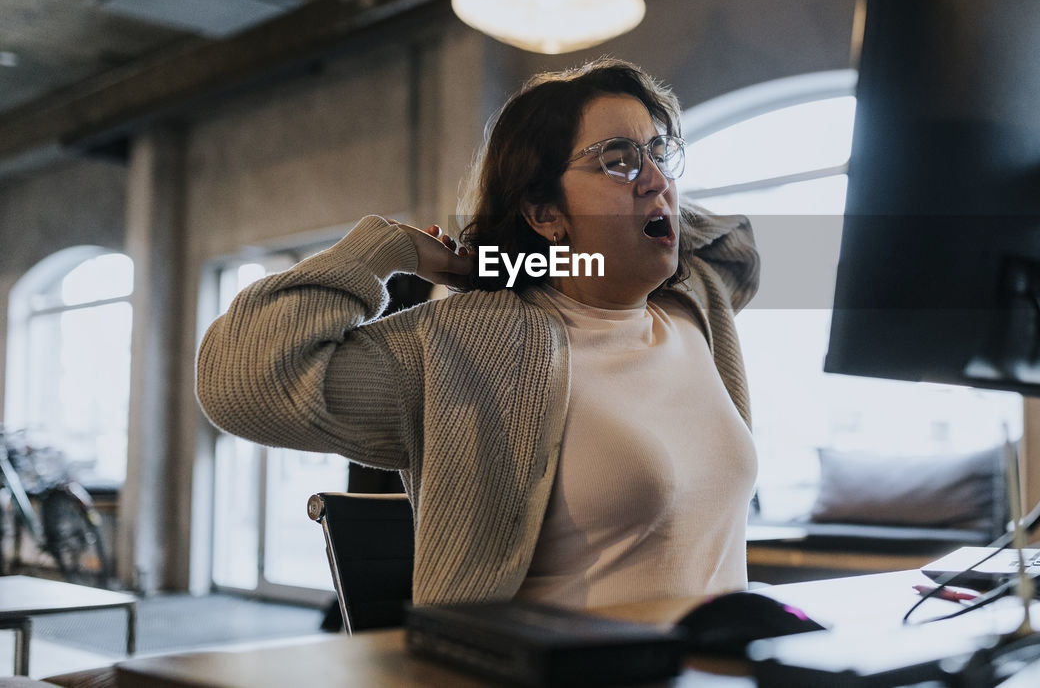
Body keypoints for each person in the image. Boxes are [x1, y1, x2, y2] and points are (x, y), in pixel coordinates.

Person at [196, 58, 760, 609]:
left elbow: (736, 245)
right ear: (544, 212)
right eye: (618, 160)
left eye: (661, 154)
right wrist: (388, 248)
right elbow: (243, 380)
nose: (657, 179)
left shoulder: (696, 302)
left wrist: (533, 256)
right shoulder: (473, 342)